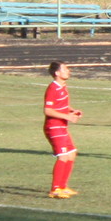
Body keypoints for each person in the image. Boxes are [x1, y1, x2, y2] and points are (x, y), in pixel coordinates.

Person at [42, 61, 82, 198]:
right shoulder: (53, 88)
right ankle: (55, 189)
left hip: (62, 126)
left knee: (72, 154)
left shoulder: (62, 86)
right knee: (63, 156)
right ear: (57, 73)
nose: (68, 71)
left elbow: (61, 104)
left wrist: (72, 110)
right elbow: (48, 110)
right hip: (53, 127)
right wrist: (68, 117)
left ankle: (63, 186)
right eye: (65, 69)